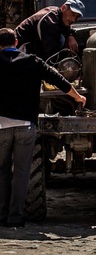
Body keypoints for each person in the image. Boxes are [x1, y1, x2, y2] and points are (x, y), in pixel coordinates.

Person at [0, 28, 86, 228]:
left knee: (2, 172)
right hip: (25, 127)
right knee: (22, 173)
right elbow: (60, 81)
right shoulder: (33, 62)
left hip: (1, 126)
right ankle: (15, 216)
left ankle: (1, 215)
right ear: (16, 41)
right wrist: (78, 97)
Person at [15, 0, 85, 61]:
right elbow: (50, 54)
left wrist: (70, 34)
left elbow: (66, 25)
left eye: (77, 17)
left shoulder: (59, 14)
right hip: (21, 47)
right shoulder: (50, 21)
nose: (73, 19)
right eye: (72, 14)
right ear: (63, 8)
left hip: (35, 43)